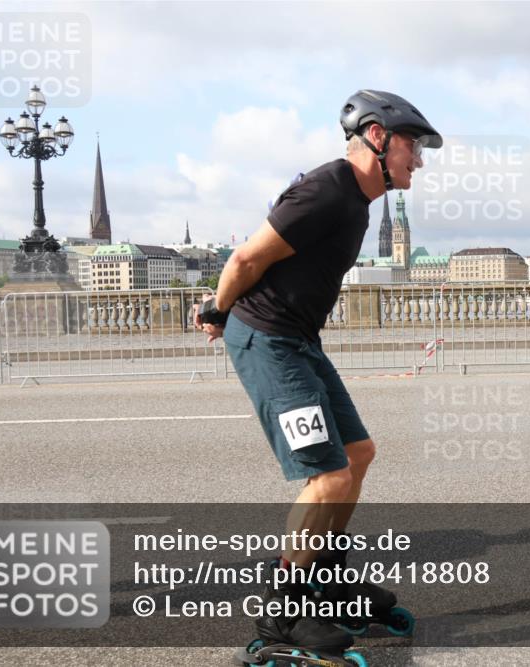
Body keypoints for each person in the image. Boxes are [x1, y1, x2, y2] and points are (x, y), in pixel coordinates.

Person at [194, 90, 441, 654]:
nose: (419, 160)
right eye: (413, 145)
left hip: (300, 340)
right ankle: (280, 614)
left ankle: (323, 579)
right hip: (268, 339)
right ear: (377, 137)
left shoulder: (357, 201)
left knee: (358, 454)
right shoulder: (326, 190)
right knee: (326, 475)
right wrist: (217, 310)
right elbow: (246, 259)